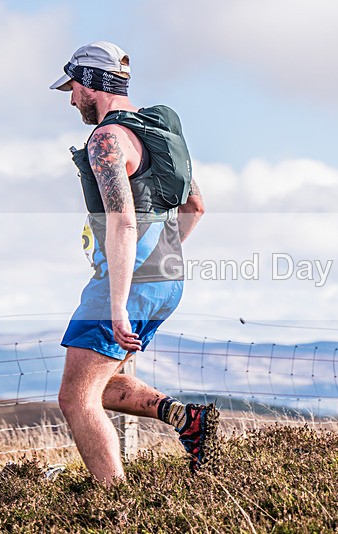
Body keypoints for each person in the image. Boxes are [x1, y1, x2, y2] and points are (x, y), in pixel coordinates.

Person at [50, 41, 217, 483]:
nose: (72, 99)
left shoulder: (106, 139)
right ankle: (188, 420)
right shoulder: (160, 132)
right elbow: (195, 207)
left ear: (90, 83)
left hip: (128, 284)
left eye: (73, 88)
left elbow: (123, 222)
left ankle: (115, 502)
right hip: (167, 280)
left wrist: (119, 300)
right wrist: (158, 261)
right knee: (97, 380)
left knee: (75, 398)